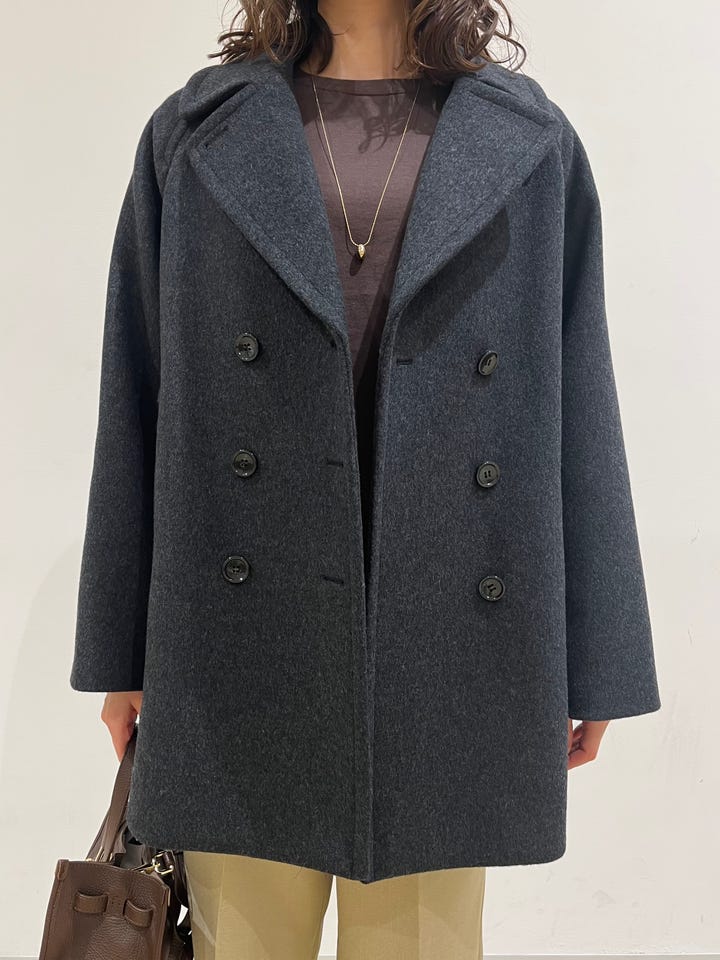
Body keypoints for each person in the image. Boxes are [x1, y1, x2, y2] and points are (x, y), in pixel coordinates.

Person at [70, 1, 662, 958]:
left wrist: (597, 657)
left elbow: (578, 392)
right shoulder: (194, 134)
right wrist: (120, 653)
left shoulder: (529, 142)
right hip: (238, 650)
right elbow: (134, 391)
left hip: (446, 648)